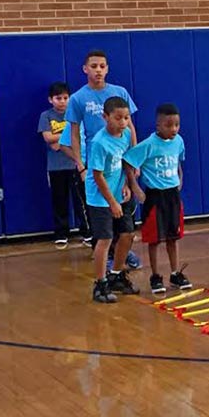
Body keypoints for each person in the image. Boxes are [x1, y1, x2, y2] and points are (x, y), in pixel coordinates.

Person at [66, 49, 142, 270]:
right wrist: (80, 164)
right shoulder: (78, 98)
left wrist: (134, 158)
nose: (98, 70)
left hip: (120, 164)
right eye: (94, 66)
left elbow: (131, 127)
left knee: (125, 215)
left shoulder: (119, 92)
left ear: (107, 68)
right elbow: (74, 132)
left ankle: (122, 255)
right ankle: (105, 258)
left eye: (102, 66)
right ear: (85, 69)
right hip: (97, 163)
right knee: (102, 216)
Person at [124, 103, 190, 294]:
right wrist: (135, 188)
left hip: (172, 196)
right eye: (169, 125)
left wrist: (180, 176)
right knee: (154, 239)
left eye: (177, 125)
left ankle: (175, 273)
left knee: (173, 237)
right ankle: (155, 275)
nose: (174, 129)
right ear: (158, 125)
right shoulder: (148, 144)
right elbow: (128, 162)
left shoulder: (178, 141)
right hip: (154, 196)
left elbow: (178, 160)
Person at [86, 96, 140, 304]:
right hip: (101, 198)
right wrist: (112, 202)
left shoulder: (126, 134)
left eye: (126, 118)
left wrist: (127, 185)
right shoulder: (99, 142)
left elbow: (126, 162)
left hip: (120, 192)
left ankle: (116, 274)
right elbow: (98, 176)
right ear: (105, 117)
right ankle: (99, 284)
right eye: (118, 118)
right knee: (105, 239)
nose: (123, 122)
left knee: (127, 234)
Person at [38, 81, 91, 248]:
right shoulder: (46, 116)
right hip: (56, 168)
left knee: (81, 201)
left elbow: (76, 136)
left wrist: (59, 140)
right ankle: (61, 234)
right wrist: (66, 137)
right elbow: (48, 138)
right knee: (59, 200)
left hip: (77, 165)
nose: (62, 101)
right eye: (58, 98)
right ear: (50, 99)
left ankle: (87, 232)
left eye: (65, 98)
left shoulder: (74, 115)